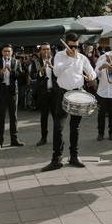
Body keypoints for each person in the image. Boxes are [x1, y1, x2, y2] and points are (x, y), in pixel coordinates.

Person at [41, 33, 96, 172]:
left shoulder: (82, 57)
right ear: (65, 44)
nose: (74, 49)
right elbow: (57, 72)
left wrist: (91, 75)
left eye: (76, 46)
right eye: (71, 46)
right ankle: (56, 159)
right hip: (62, 93)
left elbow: (92, 71)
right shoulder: (59, 55)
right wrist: (71, 59)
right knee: (58, 127)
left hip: (78, 93)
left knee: (75, 127)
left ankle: (74, 156)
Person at [0, 45, 23, 148]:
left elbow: (21, 76)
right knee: (1, 117)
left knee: (14, 116)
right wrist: (0, 73)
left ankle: (14, 139)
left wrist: (12, 71)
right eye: (5, 51)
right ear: (2, 52)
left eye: (9, 51)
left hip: (12, 92)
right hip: (1, 92)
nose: (7, 53)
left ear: (12, 52)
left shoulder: (16, 62)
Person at [29, 43, 56, 146]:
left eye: (48, 49)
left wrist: (53, 68)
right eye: (44, 49)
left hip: (54, 93)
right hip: (43, 93)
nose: (46, 51)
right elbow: (32, 75)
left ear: (50, 50)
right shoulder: (36, 62)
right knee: (43, 117)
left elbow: (60, 74)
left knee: (56, 117)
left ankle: (57, 137)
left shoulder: (55, 60)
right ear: (40, 51)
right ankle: (43, 138)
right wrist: (41, 71)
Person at [94, 50, 112, 141]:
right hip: (102, 93)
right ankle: (100, 133)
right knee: (101, 114)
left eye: (110, 57)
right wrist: (100, 68)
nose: (108, 59)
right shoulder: (101, 62)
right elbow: (95, 75)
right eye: (107, 57)